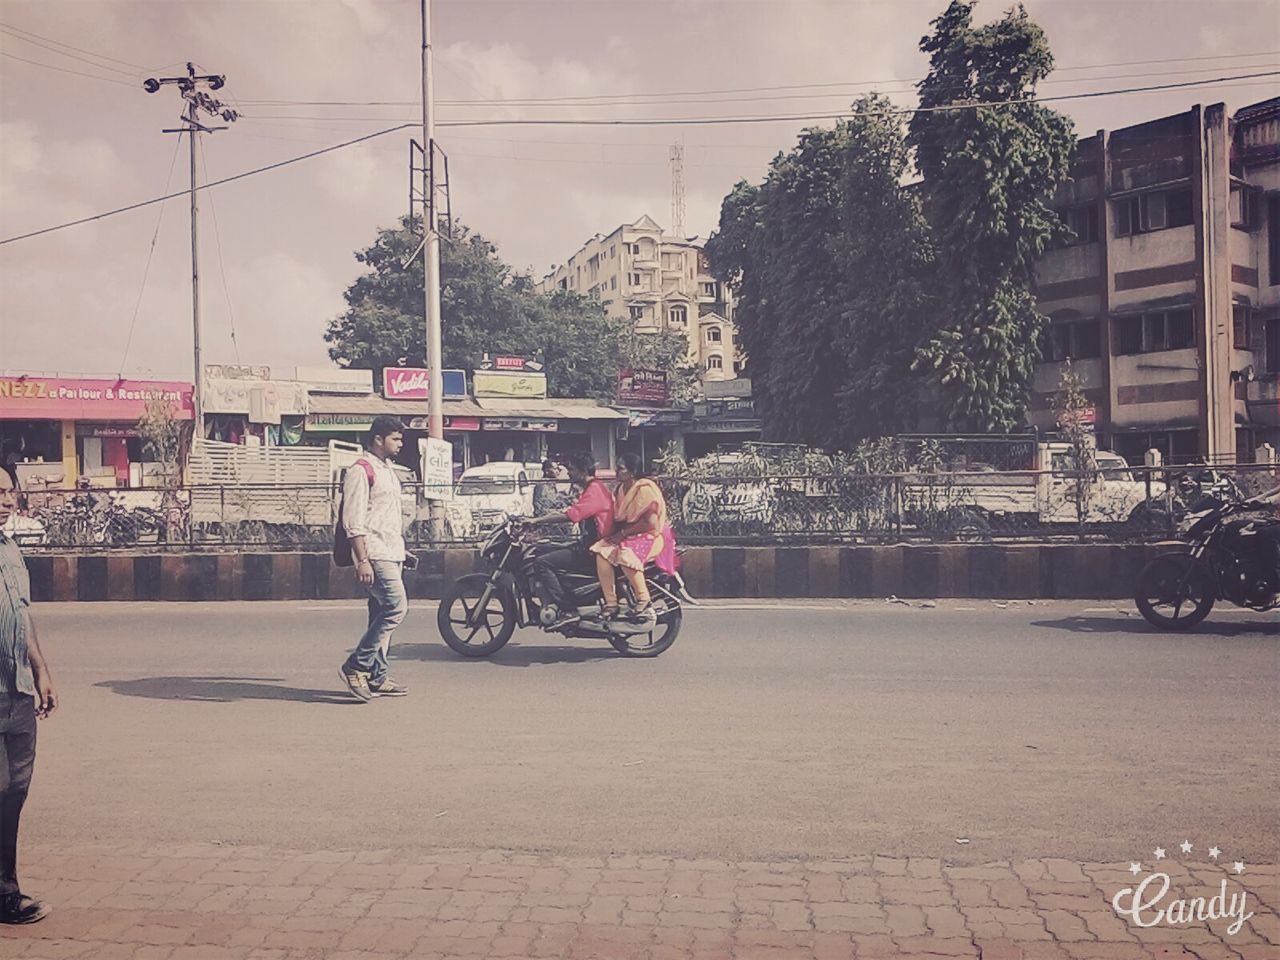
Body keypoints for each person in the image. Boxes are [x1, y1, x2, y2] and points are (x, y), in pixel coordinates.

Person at [0, 468, 56, 924]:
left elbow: (23, 616)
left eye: (6, 491)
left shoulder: (12, 552)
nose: (4, 500)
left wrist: (41, 670)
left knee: (14, 791)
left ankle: (6, 891)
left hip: (17, 693)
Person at [338, 416, 414, 703]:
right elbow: (353, 520)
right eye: (395, 439)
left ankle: (377, 676)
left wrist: (401, 550)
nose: (400, 444)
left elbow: (383, 517)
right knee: (396, 607)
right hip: (374, 552)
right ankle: (356, 665)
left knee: (379, 613)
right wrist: (363, 560)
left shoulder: (388, 470)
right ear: (378, 439)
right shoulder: (361, 470)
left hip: (390, 550)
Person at [524, 451, 614, 629]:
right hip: (589, 544)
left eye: (572, 470)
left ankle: (566, 609)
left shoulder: (594, 490)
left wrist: (536, 521)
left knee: (542, 563)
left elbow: (571, 515)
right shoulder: (591, 488)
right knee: (542, 550)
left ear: (582, 471)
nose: (569, 474)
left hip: (593, 548)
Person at [590, 453, 677, 622]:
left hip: (650, 536)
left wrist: (622, 534)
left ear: (632, 471)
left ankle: (644, 599)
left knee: (626, 556)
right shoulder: (620, 490)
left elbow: (650, 524)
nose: (617, 471)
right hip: (629, 536)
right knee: (600, 551)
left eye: (621, 468)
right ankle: (611, 603)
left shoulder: (644, 489)